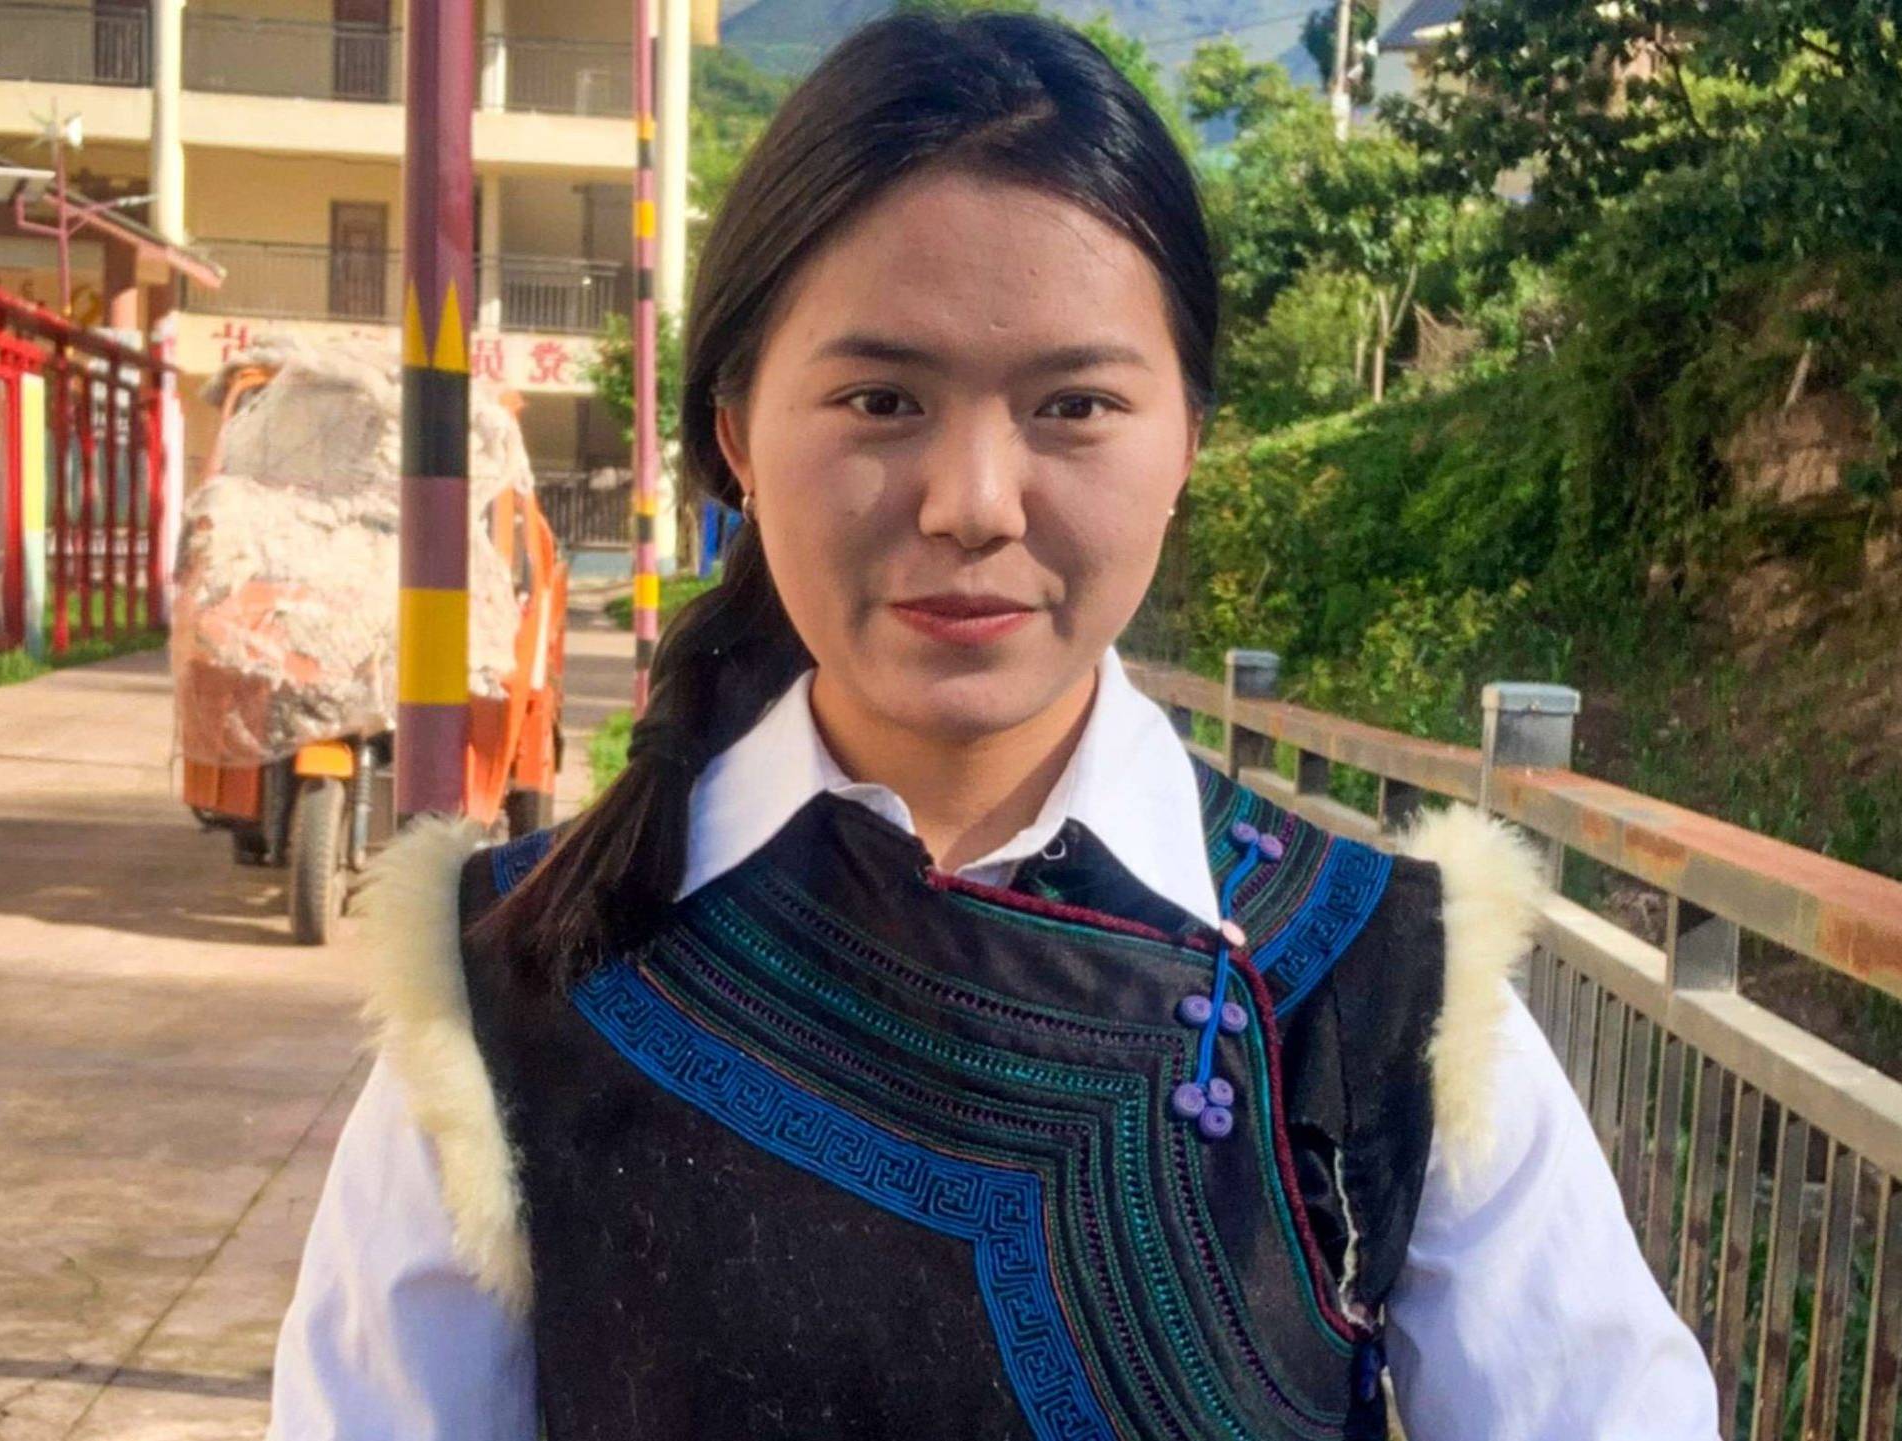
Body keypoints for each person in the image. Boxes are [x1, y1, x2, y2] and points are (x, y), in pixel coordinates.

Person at [267, 11, 1720, 1439]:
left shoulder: (1374, 992)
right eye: (880, 397)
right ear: (733, 432)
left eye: (1073, 405)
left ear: (1186, 443)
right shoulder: (515, 982)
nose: (972, 498)